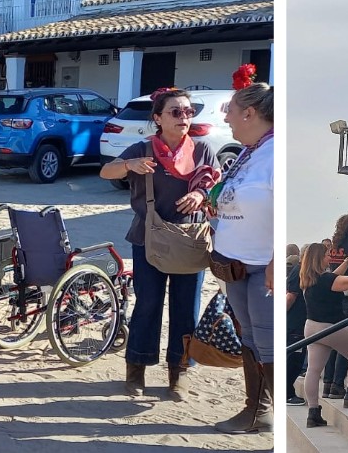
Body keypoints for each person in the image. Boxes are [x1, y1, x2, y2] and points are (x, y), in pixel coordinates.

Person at [98, 88, 218, 399]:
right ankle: (136, 368)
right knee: (148, 304)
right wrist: (129, 165)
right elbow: (104, 171)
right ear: (158, 119)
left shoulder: (202, 149)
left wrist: (200, 195)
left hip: (190, 239)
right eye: (176, 112)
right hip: (148, 238)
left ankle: (179, 372)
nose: (184, 117)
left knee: (186, 309)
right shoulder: (143, 149)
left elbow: (217, 184)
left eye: (188, 112)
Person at [210, 82, 274, 435]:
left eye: (230, 109)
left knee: (267, 343)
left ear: (249, 113)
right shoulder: (251, 151)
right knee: (250, 338)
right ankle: (257, 411)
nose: (226, 116)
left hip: (262, 267)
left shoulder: (275, 153)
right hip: (235, 265)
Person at [300, 243, 348, 429]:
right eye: (326, 255)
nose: (329, 258)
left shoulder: (308, 278)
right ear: (318, 258)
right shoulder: (326, 280)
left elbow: (334, 277)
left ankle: (313, 413)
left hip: (311, 326)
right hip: (330, 326)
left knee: (313, 370)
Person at [284, 244, 306, 407]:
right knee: (294, 359)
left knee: (296, 358)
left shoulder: (302, 271)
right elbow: (291, 296)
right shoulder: (298, 272)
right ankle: (286, 393)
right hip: (294, 323)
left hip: (299, 322)